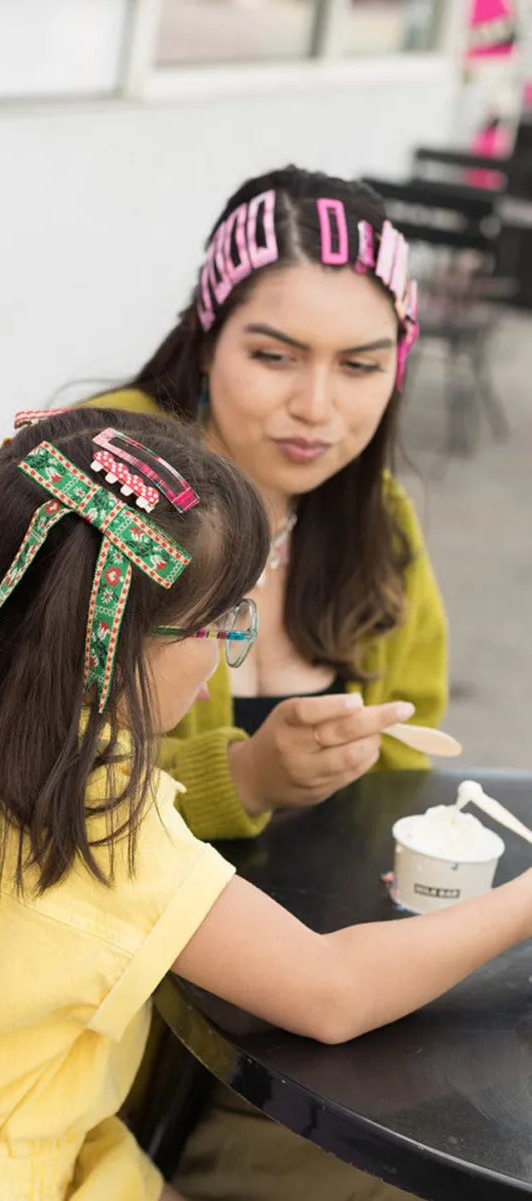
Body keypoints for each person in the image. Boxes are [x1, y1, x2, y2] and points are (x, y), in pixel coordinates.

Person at [0, 407, 517, 1201]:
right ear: (111, 643)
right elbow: (333, 991)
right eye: (223, 622)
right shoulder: (101, 822)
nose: (231, 649)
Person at [82, 166, 447, 1198]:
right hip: (125, 1021)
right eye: (272, 355)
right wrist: (235, 773)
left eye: (360, 365)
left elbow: (412, 755)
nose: (315, 408)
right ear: (206, 337)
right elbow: (9, 786)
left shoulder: (372, 523)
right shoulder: (104, 491)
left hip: (304, 985)